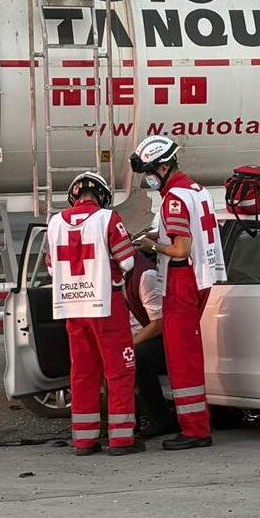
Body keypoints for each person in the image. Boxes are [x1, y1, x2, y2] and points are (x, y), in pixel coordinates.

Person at [131, 136, 226, 451]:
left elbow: (180, 248)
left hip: (182, 279)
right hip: (202, 276)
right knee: (187, 354)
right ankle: (197, 424)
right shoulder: (197, 191)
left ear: (162, 166)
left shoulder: (173, 198)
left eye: (149, 171)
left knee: (182, 358)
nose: (148, 178)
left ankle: (195, 430)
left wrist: (151, 245)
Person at [46, 172, 143, 456]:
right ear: (102, 196)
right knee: (119, 372)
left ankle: (84, 441)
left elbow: (52, 268)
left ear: (73, 196)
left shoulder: (54, 223)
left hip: (73, 309)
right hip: (106, 305)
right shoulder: (107, 219)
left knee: (83, 374)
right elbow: (126, 260)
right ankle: (121, 439)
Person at [123, 249, 177, 438]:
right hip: (133, 335)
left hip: (159, 338)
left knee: (136, 358)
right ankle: (126, 422)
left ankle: (161, 419)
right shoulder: (114, 274)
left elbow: (158, 324)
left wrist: (128, 345)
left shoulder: (145, 275)